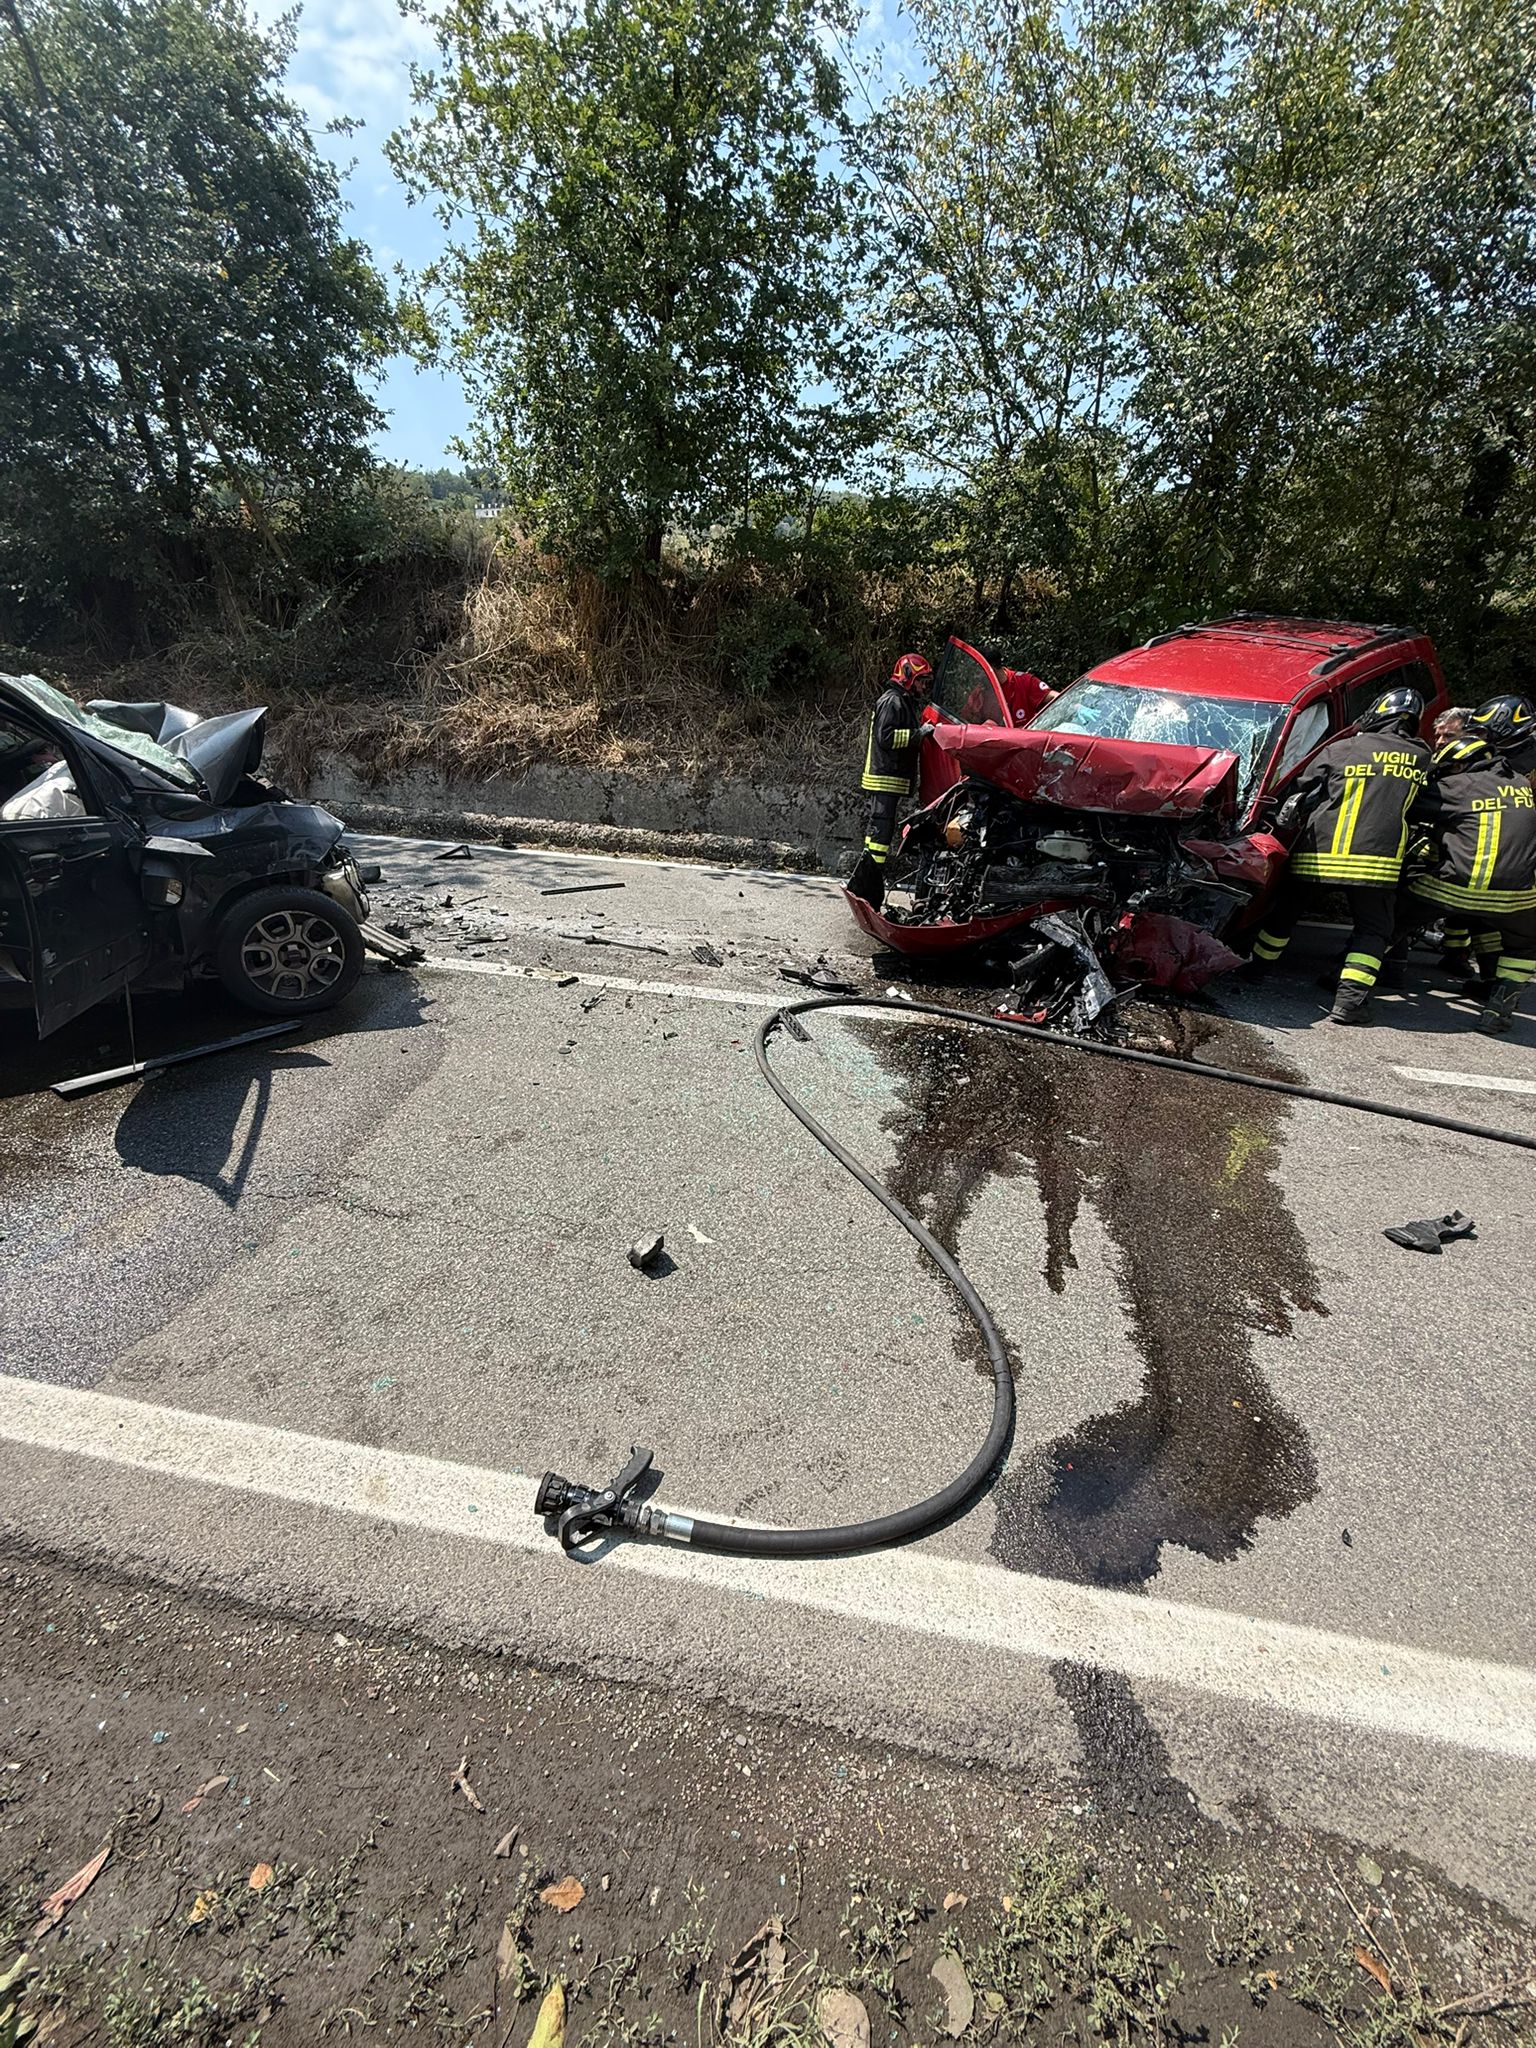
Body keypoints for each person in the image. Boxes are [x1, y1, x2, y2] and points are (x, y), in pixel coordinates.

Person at [1242, 685, 1430, 1024]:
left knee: (1285, 914)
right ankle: (1348, 1004)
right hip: (1377, 864)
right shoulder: (1421, 755)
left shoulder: (1343, 748)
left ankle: (1256, 971)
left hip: (1319, 853)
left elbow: (1301, 785)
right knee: (1372, 932)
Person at [1401, 694, 1536, 1034]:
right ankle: (1498, 1006)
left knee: (1390, 916)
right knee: (1523, 942)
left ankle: (1364, 975)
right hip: (1517, 893)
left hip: (1455, 884)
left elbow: (1411, 809)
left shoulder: (1463, 784)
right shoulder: (1516, 777)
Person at [852, 653, 933, 903]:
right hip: (884, 777)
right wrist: (916, 735)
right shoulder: (892, 701)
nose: (923, 686)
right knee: (880, 831)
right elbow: (885, 738)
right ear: (908, 677)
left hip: (892, 778)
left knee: (880, 832)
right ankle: (870, 878)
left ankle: (869, 876)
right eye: (920, 681)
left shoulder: (903, 702)